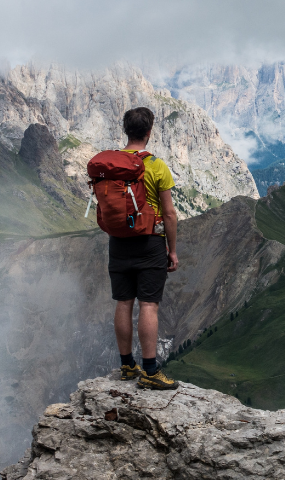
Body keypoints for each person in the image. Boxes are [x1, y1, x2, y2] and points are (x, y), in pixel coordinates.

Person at [110, 106, 180, 390]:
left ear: (126, 130)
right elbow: (169, 214)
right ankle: (150, 371)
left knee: (124, 302)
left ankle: (127, 366)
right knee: (148, 304)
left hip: (118, 242)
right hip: (150, 241)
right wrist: (172, 251)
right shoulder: (156, 166)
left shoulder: (111, 164)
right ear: (149, 132)